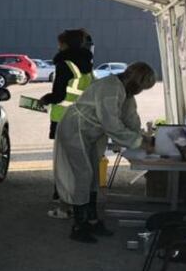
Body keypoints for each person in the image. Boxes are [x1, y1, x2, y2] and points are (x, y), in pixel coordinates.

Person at [54, 62, 156, 243]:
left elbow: (130, 117)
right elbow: (112, 124)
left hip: (92, 130)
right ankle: (79, 225)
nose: (140, 91)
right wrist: (139, 142)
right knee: (83, 175)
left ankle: (92, 220)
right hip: (76, 127)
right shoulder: (110, 88)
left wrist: (142, 138)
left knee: (94, 175)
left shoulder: (125, 90)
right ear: (135, 80)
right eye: (141, 87)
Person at [40, 29, 95, 220]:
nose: (58, 47)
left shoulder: (65, 65)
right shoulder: (87, 65)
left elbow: (58, 95)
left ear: (65, 44)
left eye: (60, 43)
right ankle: (78, 205)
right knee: (78, 164)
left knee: (64, 165)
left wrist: (45, 99)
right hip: (83, 119)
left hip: (63, 120)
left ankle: (65, 206)